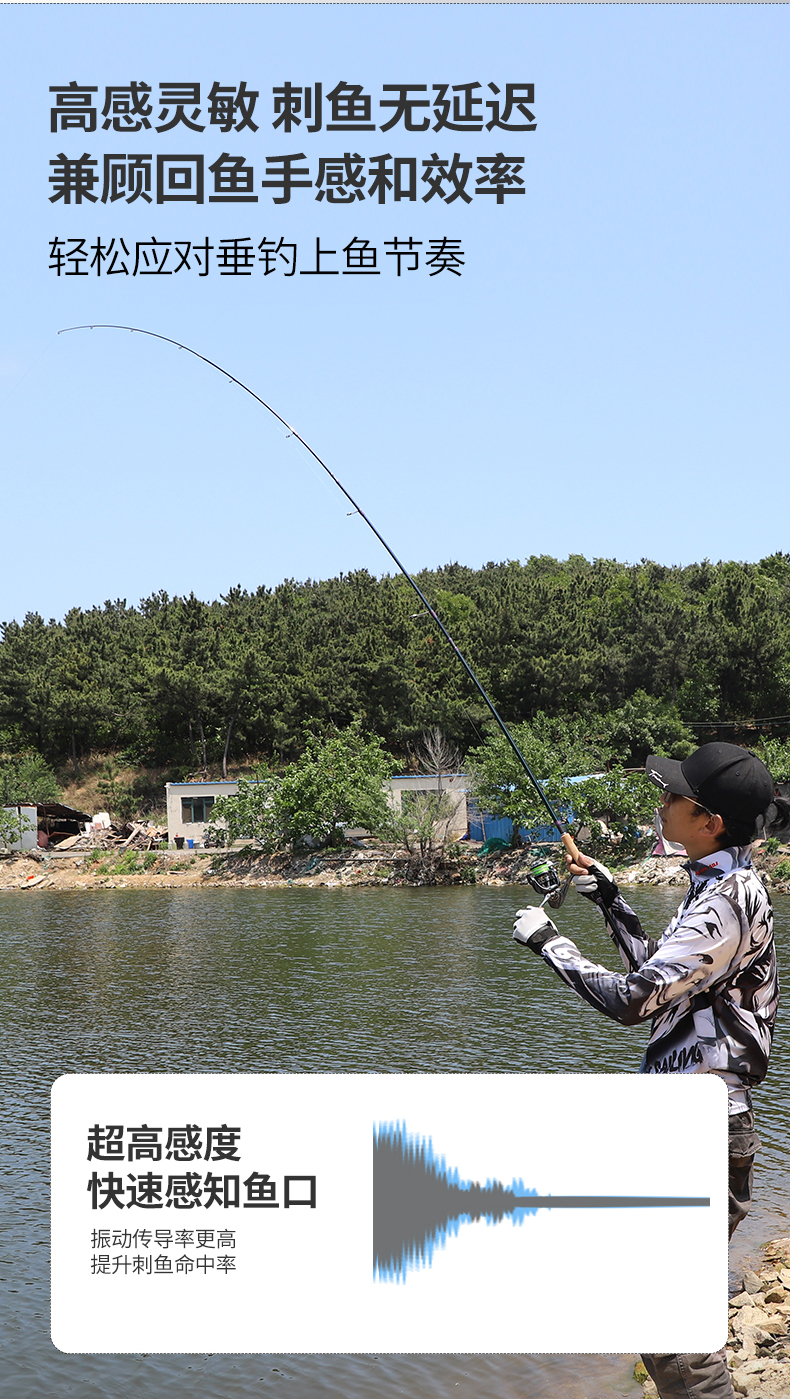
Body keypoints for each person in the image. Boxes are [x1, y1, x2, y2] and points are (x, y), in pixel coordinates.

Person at [512, 742, 784, 1399]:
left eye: (672, 795)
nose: (661, 802)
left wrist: (549, 942)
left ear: (709, 820)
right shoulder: (719, 884)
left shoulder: (726, 900)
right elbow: (662, 974)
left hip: (701, 1134)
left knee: (672, 1335)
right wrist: (609, 899)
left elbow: (633, 1001)